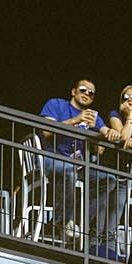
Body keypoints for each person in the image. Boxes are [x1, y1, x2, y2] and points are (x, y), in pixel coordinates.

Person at [38, 77, 102, 241]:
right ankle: (62, 222)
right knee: (69, 169)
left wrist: (103, 137)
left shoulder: (93, 116)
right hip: (49, 159)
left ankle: (84, 225)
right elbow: (46, 131)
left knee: (108, 180)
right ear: (73, 92)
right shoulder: (56, 104)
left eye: (91, 93)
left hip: (77, 166)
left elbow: (101, 145)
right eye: (83, 90)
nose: (87, 93)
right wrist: (76, 120)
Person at [93, 85, 132, 261]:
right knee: (103, 207)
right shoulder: (115, 115)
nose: (130, 101)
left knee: (116, 210)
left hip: (125, 172)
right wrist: (130, 117)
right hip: (108, 169)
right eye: (126, 97)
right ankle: (94, 246)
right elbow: (122, 137)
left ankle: (110, 252)